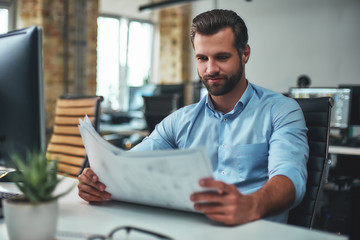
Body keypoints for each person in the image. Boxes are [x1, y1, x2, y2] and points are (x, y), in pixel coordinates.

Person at [78, 9, 308, 226]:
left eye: (222, 57)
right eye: (202, 58)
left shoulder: (281, 110)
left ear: (245, 53)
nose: (210, 69)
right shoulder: (180, 120)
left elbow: (289, 177)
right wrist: (98, 183)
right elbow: (127, 166)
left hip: (253, 230)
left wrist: (252, 204)